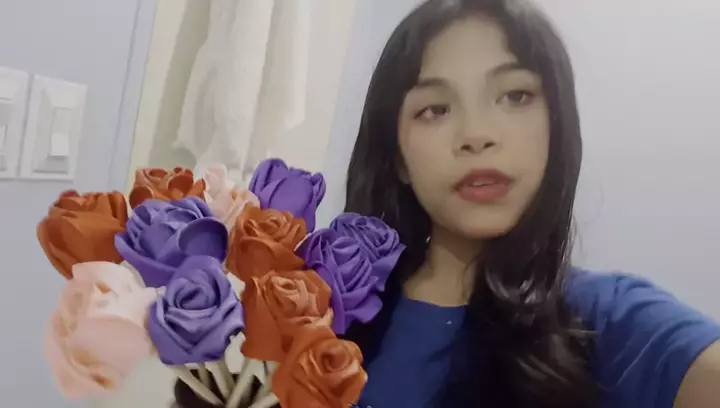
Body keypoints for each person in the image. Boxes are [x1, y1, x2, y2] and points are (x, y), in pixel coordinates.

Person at [342, 0, 720, 407]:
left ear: (555, 125)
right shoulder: (326, 308)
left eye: (515, 96)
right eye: (436, 109)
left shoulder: (610, 321)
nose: (476, 134)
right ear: (398, 157)